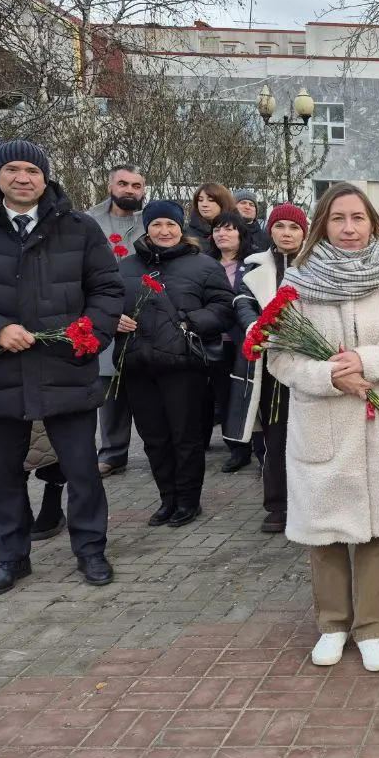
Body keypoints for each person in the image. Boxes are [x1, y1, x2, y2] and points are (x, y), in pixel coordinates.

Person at [0, 140, 124, 596]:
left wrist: (89, 334)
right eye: (12, 169)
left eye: (32, 171)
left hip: (66, 367)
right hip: (1, 372)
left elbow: (107, 290)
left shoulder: (79, 228)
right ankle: (11, 558)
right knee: (5, 473)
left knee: (82, 470)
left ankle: (91, 550)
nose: (23, 178)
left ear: (45, 177)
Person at [267, 183, 379, 670]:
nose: (349, 228)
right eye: (338, 218)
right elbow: (279, 358)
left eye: (358, 218)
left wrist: (367, 360)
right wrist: (327, 376)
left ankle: (372, 628)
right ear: (323, 224)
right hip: (324, 422)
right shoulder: (297, 285)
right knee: (327, 531)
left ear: (372, 224)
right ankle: (333, 624)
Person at [117, 201, 234, 528]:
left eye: (171, 224)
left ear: (181, 227)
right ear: (147, 228)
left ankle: (188, 501)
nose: (164, 231)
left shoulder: (203, 265)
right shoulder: (125, 267)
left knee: (185, 437)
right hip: (138, 364)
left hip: (184, 366)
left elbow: (224, 307)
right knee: (154, 438)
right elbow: (104, 303)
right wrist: (113, 319)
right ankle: (167, 499)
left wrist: (189, 322)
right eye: (156, 225)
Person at [226, 203, 309, 533]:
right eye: (280, 226)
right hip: (269, 361)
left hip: (307, 361)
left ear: (304, 232)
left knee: (308, 435)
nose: (287, 233)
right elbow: (242, 303)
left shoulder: (317, 264)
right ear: (269, 230)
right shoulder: (253, 266)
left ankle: (309, 502)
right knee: (274, 437)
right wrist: (258, 328)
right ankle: (278, 504)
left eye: (294, 227)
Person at [86, 164, 146, 478]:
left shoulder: (152, 222)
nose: (129, 190)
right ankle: (112, 453)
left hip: (145, 314)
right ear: (111, 186)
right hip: (104, 315)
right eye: (123, 184)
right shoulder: (88, 223)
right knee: (110, 390)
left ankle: (160, 452)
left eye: (136, 186)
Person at [208, 211, 255, 472]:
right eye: (217, 229)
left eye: (228, 229)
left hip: (244, 338)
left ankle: (254, 443)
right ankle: (236, 447)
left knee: (245, 393)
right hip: (215, 340)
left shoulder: (253, 263)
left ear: (240, 234)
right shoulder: (205, 263)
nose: (222, 234)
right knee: (224, 396)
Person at [186, 184, 235, 252]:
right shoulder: (184, 235)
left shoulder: (239, 233)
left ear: (224, 202)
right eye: (200, 200)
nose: (204, 204)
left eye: (211, 200)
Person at [234, 190, 272, 255]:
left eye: (251, 205)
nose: (247, 207)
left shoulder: (266, 238)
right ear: (234, 207)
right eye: (243, 203)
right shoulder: (222, 233)